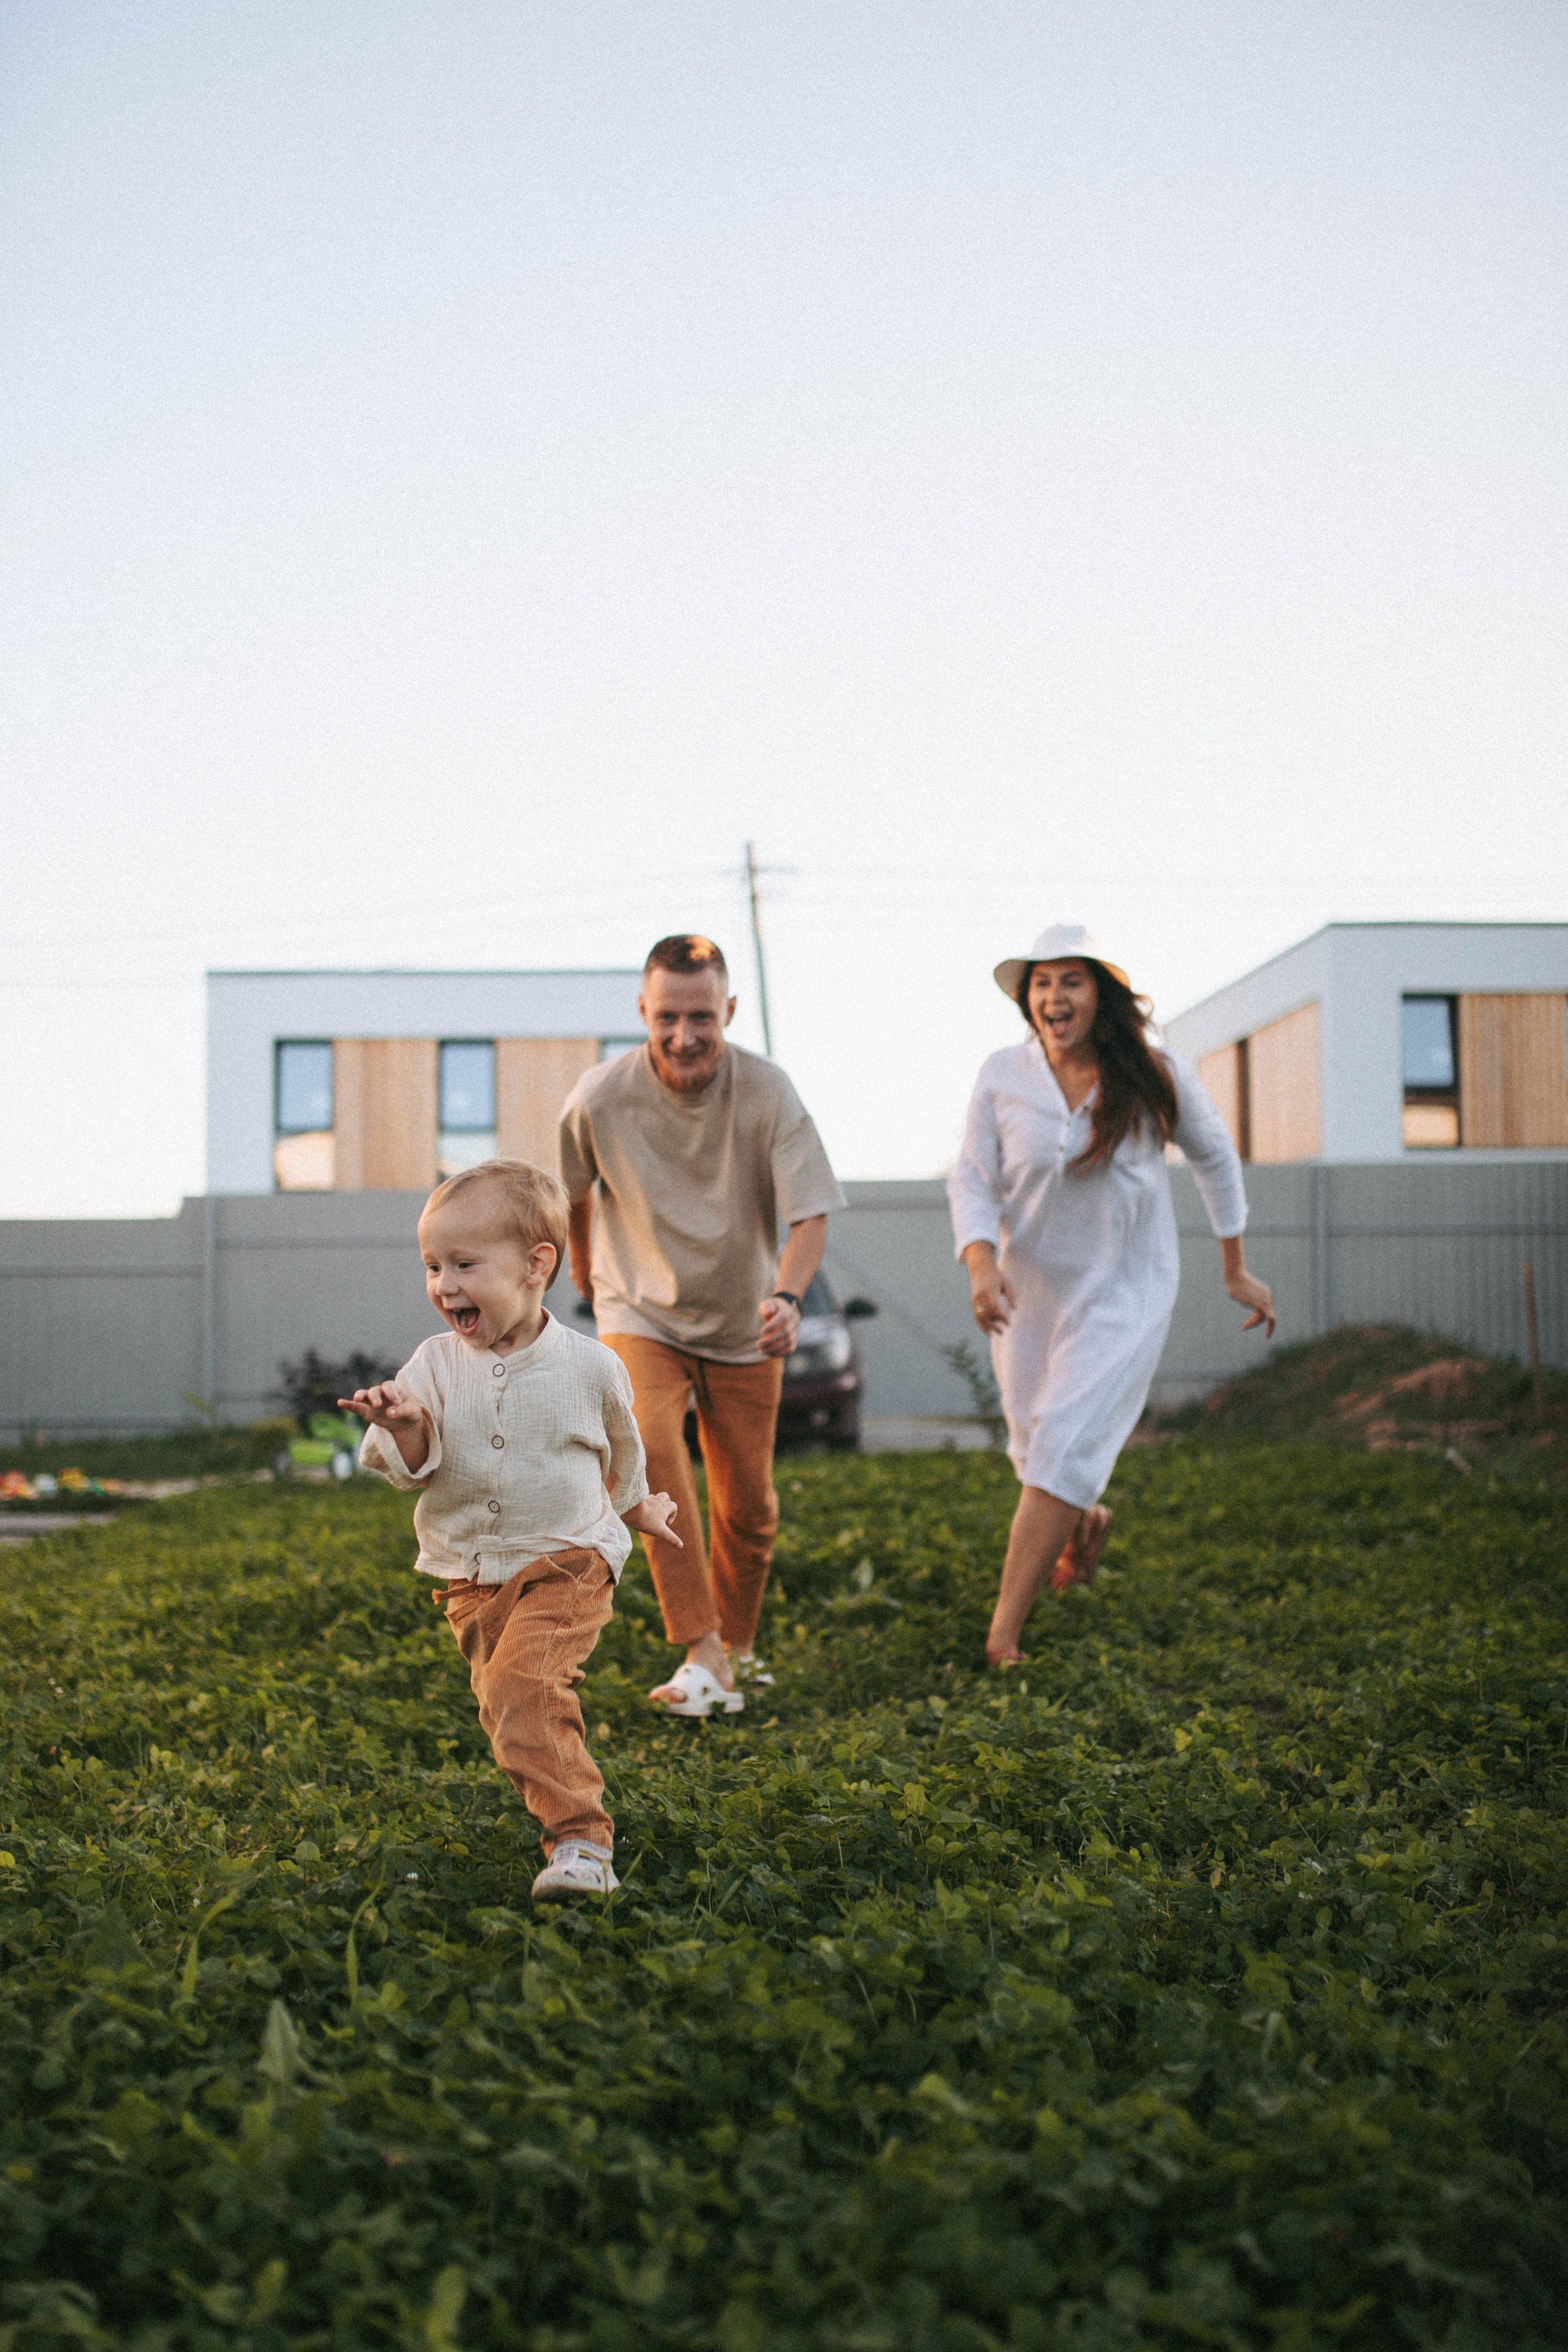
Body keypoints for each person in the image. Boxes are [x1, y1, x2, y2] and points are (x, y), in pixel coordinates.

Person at [339, 1158, 682, 1899]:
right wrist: (404, 1427)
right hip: (470, 1578)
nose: (444, 1285)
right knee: (506, 1703)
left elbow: (622, 1449)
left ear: (536, 1266)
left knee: (524, 1687)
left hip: (570, 1560)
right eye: (432, 1266)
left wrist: (638, 1507)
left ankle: (583, 1845)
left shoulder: (591, 1367)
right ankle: (563, 1809)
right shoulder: (432, 1365)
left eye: (464, 1264)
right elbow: (414, 1466)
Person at [948, 923, 1275, 1664]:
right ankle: (1085, 1520)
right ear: (1027, 998)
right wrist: (979, 1265)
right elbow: (970, 1177)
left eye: (1071, 980)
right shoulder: (1002, 1074)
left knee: (1060, 1445)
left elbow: (1216, 1159)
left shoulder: (1152, 1072)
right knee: (1033, 1446)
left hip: (1124, 1294)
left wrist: (1234, 1267)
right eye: (1041, 982)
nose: (1053, 996)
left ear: (1101, 994)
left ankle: (1003, 1636)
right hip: (1027, 1293)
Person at [559, 933, 845, 1717]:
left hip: (745, 1315)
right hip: (639, 1310)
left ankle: (738, 1651)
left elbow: (811, 1213)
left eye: (701, 1020)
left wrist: (787, 1299)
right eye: (667, 1019)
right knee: (650, 1451)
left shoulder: (768, 1092)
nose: (684, 1038)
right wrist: (586, 1274)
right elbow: (575, 1193)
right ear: (643, 1012)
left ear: (728, 1011)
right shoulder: (599, 1097)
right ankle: (699, 1645)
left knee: (747, 1503)